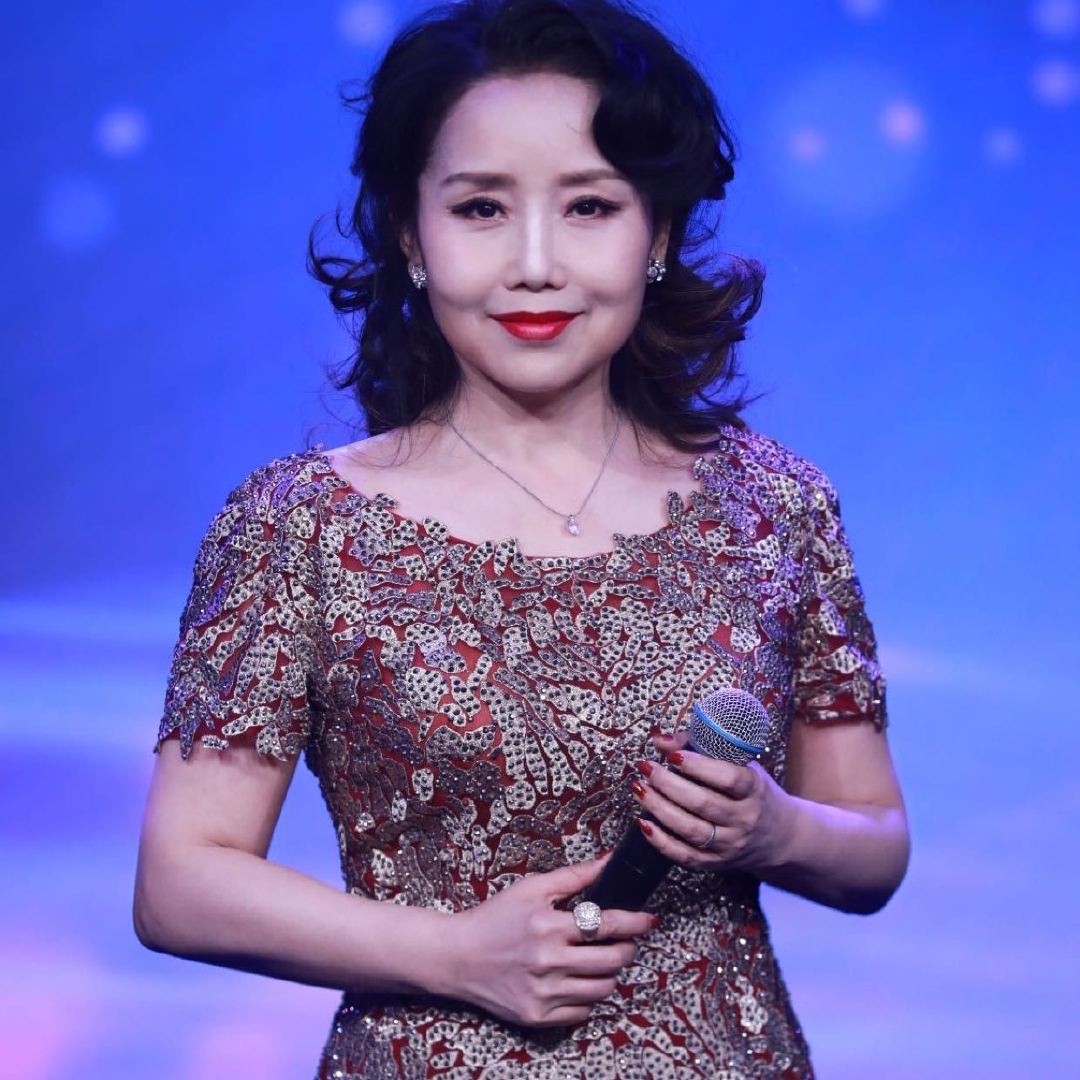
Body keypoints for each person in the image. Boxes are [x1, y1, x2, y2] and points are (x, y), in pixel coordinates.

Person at [133, 0, 910, 1076]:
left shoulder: (774, 506)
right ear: (411, 234)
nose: (535, 264)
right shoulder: (298, 525)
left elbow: (874, 845)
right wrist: (454, 954)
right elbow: (178, 883)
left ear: (659, 234)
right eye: (482, 208)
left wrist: (775, 830)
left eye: (589, 206)